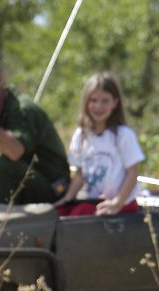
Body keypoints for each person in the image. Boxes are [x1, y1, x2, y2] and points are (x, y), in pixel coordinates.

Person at [0, 50, 70, 205]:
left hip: (55, 192)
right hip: (30, 186)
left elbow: (14, 152)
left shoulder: (22, 108)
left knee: (0, 164)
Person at [56, 72, 144, 217]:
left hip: (123, 203)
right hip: (96, 201)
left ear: (115, 103)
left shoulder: (123, 135)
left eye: (105, 101)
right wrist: (67, 199)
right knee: (59, 213)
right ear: (86, 102)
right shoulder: (81, 134)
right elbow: (80, 175)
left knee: (80, 213)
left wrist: (117, 203)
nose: (98, 106)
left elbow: (133, 172)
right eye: (94, 100)